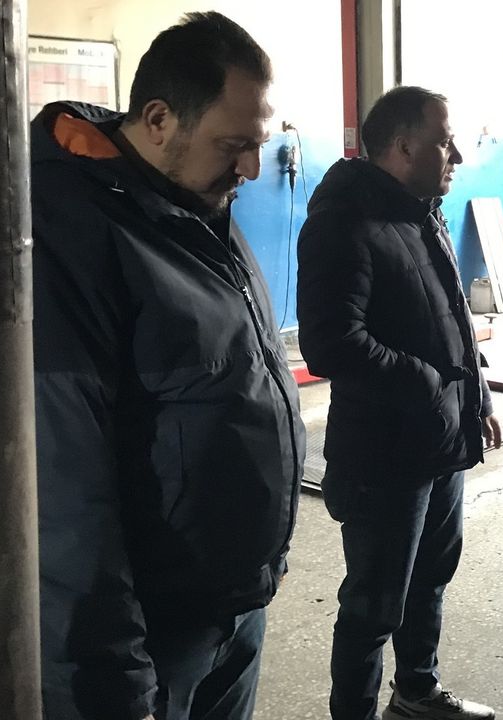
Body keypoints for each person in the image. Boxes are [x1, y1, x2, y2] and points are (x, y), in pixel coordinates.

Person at [30, 12, 303, 720]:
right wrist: (111, 680)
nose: (251, 169)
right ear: (157, 120)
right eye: (234, 146)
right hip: (156, 635)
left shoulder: (194, 201)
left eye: (259, 144)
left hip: (233, 607)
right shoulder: (69, 236)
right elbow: (64, 492)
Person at [297, 86, 501, 720]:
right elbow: (333, 343)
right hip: (383, 457)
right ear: (403, 147)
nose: (456, 155)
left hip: (439, 438)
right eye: (445, 142)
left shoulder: (421, 213)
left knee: (430, 579)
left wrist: (477, 393)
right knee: (374, 605)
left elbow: (452, 317)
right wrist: (430, 386)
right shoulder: (344, 223)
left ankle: (416, 692)